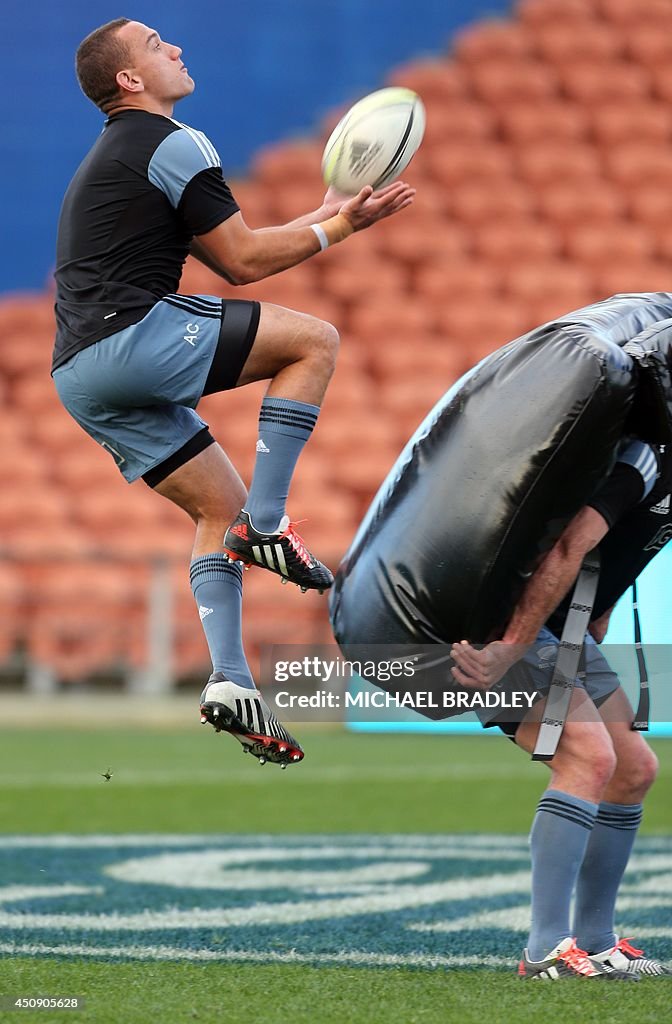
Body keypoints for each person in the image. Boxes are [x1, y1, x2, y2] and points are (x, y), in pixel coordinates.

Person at [52, 18, 415, 767]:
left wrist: (331, 211)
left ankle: (230, 681)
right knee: (315, 341)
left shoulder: (123, 156)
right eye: (156, 45)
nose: (176, 49)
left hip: (80, 375)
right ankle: (271, 525)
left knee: (217, 508)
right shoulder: (176, 143)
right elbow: (245, 264)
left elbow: (231, 246)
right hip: (132, 338)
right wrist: (342, 230)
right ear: (129, 79)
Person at [450, 436, 671, 979]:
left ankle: (596, 942)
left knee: (633, 770)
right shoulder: (643, 455)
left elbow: (628, 543)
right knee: (589, 760)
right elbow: (567, 545)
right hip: (510, 619)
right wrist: (515, 645)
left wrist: (603, 607)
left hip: (560, 624)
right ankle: (544, 948)